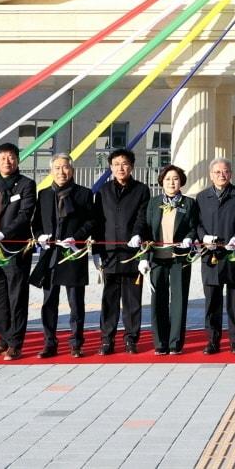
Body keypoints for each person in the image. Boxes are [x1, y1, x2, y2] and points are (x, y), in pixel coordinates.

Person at [32, 153, 93, 358]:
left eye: (65, 167)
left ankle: (76, 343)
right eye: (57, 168)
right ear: (51, 171)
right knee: (49, 302)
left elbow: (91, 221)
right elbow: (36, 223)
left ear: (72, 170)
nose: (61, 172)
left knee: (75, 302)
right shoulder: (43, 194)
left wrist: (77, 237)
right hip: (50, 254)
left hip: (72, 253)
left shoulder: (84, 194)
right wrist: (40, 236)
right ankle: (49, 342)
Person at [0, 143, 36, 361]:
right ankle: (3, 338)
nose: (7, 162)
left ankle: (15, 343)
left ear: (18, 160)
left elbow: (25, 215)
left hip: (15, 250)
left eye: (11, 157)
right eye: (2, 158)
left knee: (17, 296)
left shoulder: (26, 185)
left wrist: (3, 233)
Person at [93, 147, 150, 354]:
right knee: (109, 299)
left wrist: (138, 235)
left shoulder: (141, 190)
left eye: (124, 164)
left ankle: (131, 338)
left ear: (132, 166)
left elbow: (142, 217)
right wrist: (96, 251)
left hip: (132, 252)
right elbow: (98, 222)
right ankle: (107, 339)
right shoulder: (103, 190)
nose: (120, 168)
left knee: (132, 299)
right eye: (116, 164)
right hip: (109, 253)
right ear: (110, 167)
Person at [197, 158, 235, 353]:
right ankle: (212, 340)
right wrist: (204, 237)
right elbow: (196, 223)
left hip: (234, 254)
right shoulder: (202, 197)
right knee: (212, 301)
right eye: (217, 172)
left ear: (231, 173)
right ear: (210, 175)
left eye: (225, 171)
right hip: (211, 256)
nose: (222, 175)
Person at [146, 164, 199, 355]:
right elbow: (146, 230)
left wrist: (189, 238)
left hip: (179, 259)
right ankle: (160, 342)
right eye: (168, 179)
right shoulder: (153, 203)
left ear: (181, 182)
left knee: (179, 300)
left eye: (175, 179)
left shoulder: (189, 203)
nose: (171, 182)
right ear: (161, 181)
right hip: (157, 259)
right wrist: (144, 257)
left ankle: (175, 342)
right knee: (158, 299)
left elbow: (194, 227)